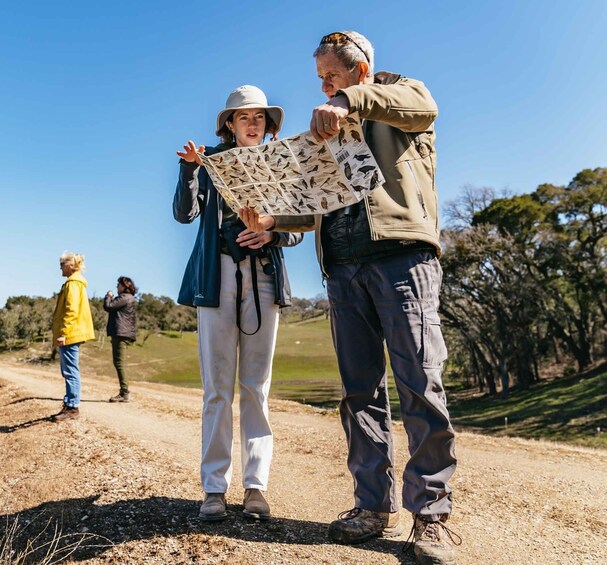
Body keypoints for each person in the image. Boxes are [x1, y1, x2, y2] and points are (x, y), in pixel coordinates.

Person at [240, 31, 458, 564]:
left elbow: (421, 106)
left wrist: (344, 102)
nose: (323, 86)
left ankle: (431, 517)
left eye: (330, 77)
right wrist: (271, 220)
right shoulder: (324, 127)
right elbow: (316, 203)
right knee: (360, 394)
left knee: (421, 386)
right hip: (342, 270)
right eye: (320, 79)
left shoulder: (401, 94)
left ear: (358, 71)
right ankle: (369, 507)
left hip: (402, 261)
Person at [174, 85, 303, 522]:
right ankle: (213, 489)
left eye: (260, 118)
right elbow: (184, 213)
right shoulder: (208, 160)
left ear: (268, 126)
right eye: (243, 116)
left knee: (256, 387)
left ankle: (256, 488)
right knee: (217, 389)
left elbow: (300, 224)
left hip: (264, 277)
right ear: (229, 123)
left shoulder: (282, 163)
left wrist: (274, 233)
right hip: (217, 276)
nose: (253, 123)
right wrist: (189, 171)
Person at [50, 252, 95, 422]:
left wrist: (63, 333)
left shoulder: (73, 284)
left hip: (71, 332)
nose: (60, 268)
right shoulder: (75, 283)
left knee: (70, 370)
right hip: (74, 331)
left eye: (61, 265)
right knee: (69, 369)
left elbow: (71, 310)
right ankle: (69, 403)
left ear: (69, 266)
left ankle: (72, 407)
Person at [103, 276, 138, 403]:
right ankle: (124, 392)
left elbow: (108, 306)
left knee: (119, 363)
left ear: (125, 286)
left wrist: (108, 295)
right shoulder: (130, 298)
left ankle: (124, 392)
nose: (117, 286)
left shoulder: (124, 298)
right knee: (119, 362)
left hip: (121, 334)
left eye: (118, 284)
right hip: (124, 333)